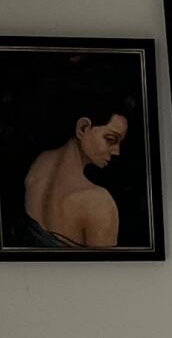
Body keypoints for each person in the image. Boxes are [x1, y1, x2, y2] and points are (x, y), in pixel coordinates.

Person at [20, 97, 134, 248]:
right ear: (82, 128)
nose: (117, 152)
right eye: (111, 139)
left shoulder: (33, 171)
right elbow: (106, 270)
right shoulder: (98, 203)